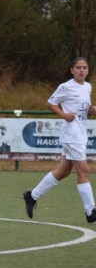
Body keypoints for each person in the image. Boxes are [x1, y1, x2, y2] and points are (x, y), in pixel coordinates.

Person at [23, 57, 96, 222]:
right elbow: (51, 103)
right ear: (72, 70)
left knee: (63, 171)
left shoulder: (88, 87)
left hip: (80, 133)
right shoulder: (66, 87)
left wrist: (91, 110)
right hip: (72, 134)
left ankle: (32, 196)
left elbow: (84, 108)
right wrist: (63, 114)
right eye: (78, 67)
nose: (82, 70)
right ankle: (90, 211)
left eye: (84, 67)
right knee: (84, 171)